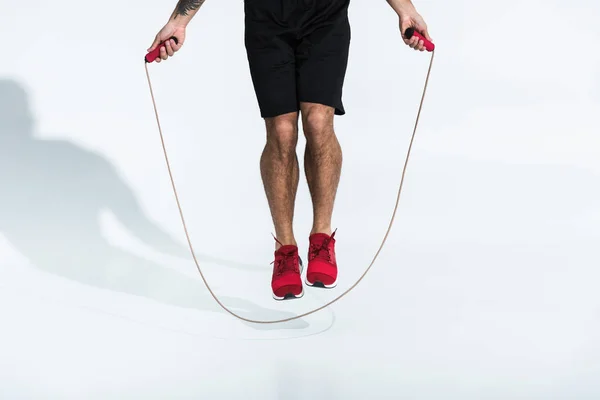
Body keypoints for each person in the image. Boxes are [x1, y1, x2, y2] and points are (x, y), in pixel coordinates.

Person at [148, 0, 432, 300]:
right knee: (282, 132)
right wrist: (179, 21)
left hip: (325, 16)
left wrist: (405, 11)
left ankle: (321, 238)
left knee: (318, 121)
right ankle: (285, 248)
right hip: (266, 19)